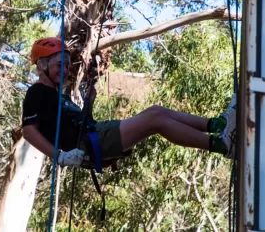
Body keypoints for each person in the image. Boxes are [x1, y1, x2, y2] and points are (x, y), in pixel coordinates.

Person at [22, 37, 237, 168]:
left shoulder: (59, 96)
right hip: (87, 142)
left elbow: (74, 125)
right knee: (155, 120)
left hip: (91, 137)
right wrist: (60, 157)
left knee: (156, 111)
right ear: (42, 65)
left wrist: (88, 104)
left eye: (67, 64)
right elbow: (29, 131)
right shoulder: (37, 91)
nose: (66, 69)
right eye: (60, 64)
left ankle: (217, 125)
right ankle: (221, 144)